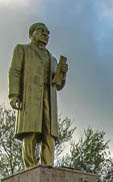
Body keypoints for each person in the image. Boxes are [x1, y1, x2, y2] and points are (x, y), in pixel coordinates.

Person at [9, 22, 68, 169]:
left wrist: (62, 74)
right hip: (30, 97)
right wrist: (14, 94)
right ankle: (30, 168)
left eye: (47, 33)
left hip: (49, 98)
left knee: (49, 135)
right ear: (32, 34)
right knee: (31, 132)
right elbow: (15, 71)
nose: (45, 34)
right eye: (41, 31)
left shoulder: (52, 59)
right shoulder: (22, 49)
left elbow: (58, 85)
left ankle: (47, 167)